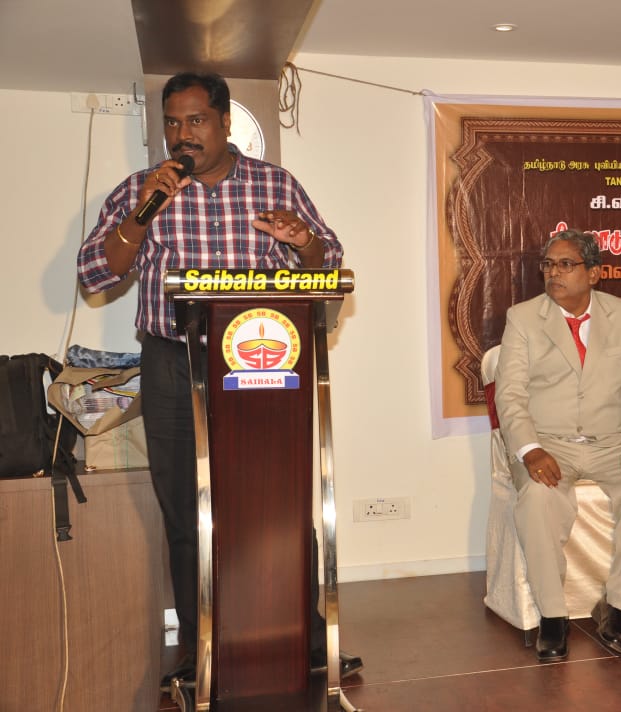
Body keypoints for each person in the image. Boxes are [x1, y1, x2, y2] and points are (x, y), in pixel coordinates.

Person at [76, 71, 360, 689]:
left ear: (226, 122)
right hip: (171, 362)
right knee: (186, 510)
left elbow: (329, 263)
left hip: (260, 365)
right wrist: (142, 215)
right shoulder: (141, 190)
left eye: (197, 121)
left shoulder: (274, 184)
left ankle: (305, 637)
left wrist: (304, 243)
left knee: (278, 504)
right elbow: (95, 275)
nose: (183, 135)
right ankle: (197, 646)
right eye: (173, 123)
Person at [494, 230, 621, 663]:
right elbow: (510, 395)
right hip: (547, 441)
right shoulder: (523, 317)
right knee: (538, 497)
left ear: (594, 274)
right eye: (549, 265)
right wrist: (530, 450)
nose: (554, 273)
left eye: (565, 264)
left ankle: (617, 608)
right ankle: (553, 617)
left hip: (611, 441)